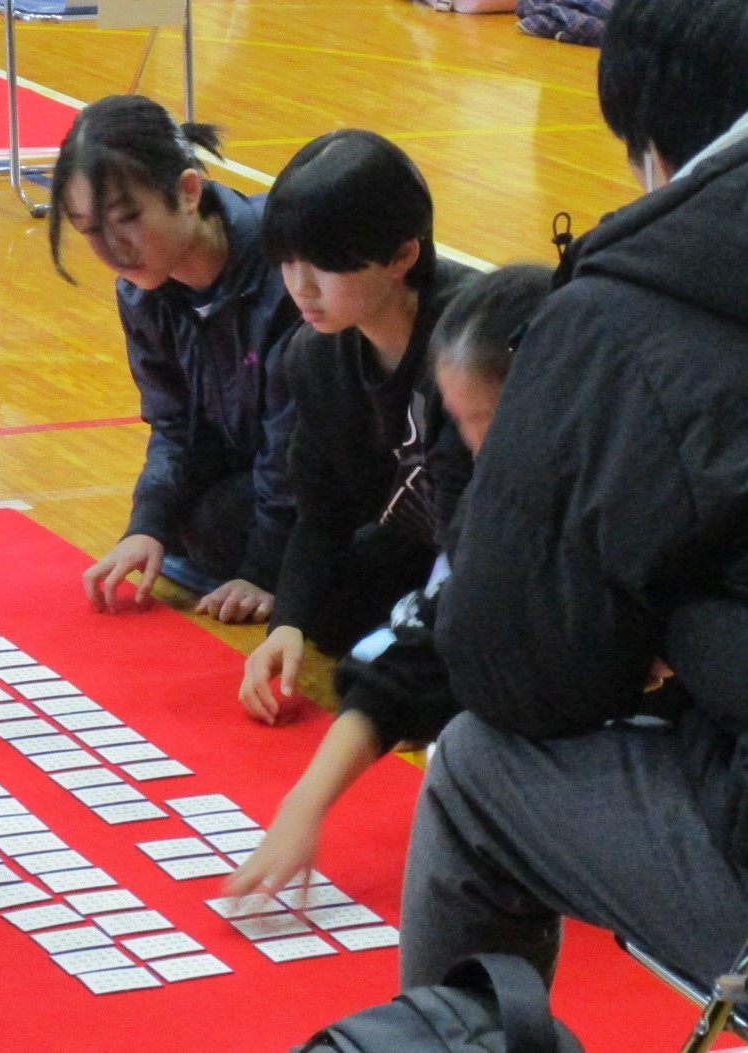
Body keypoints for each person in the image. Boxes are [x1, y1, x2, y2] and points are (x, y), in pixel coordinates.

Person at [399, 0, 748, 992]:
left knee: (474, 769)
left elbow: (514, 668)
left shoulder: (629, 310)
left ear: (647, 145)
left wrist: (670, 629)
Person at [226, 264, 552, 896]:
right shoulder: (496, 492)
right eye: (456, 424)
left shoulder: (643, 499)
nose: (473, 447)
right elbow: (437, 627)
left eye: (482, 420)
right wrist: (305, 805)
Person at [237, 130, 473, 724]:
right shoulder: (313, 359)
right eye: (288, 262)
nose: (301, 286)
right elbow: (320, 517)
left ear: (403, 256)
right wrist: (284, 625)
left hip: (495, 560)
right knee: (327, 611)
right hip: (417, 542)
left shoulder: (478, 341)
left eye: (325, 265)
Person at [47, 95, 302, 622]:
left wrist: (262, 573)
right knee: (191, 522)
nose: (111, 249)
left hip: (334, 481)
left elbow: (299, 445)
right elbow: (174, 424)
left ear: (189, 192)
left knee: (223, 523)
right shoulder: (141, 293)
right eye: (89, 230)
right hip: (251, 469)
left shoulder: (289, 275)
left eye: (128, 219)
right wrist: (147, 525)